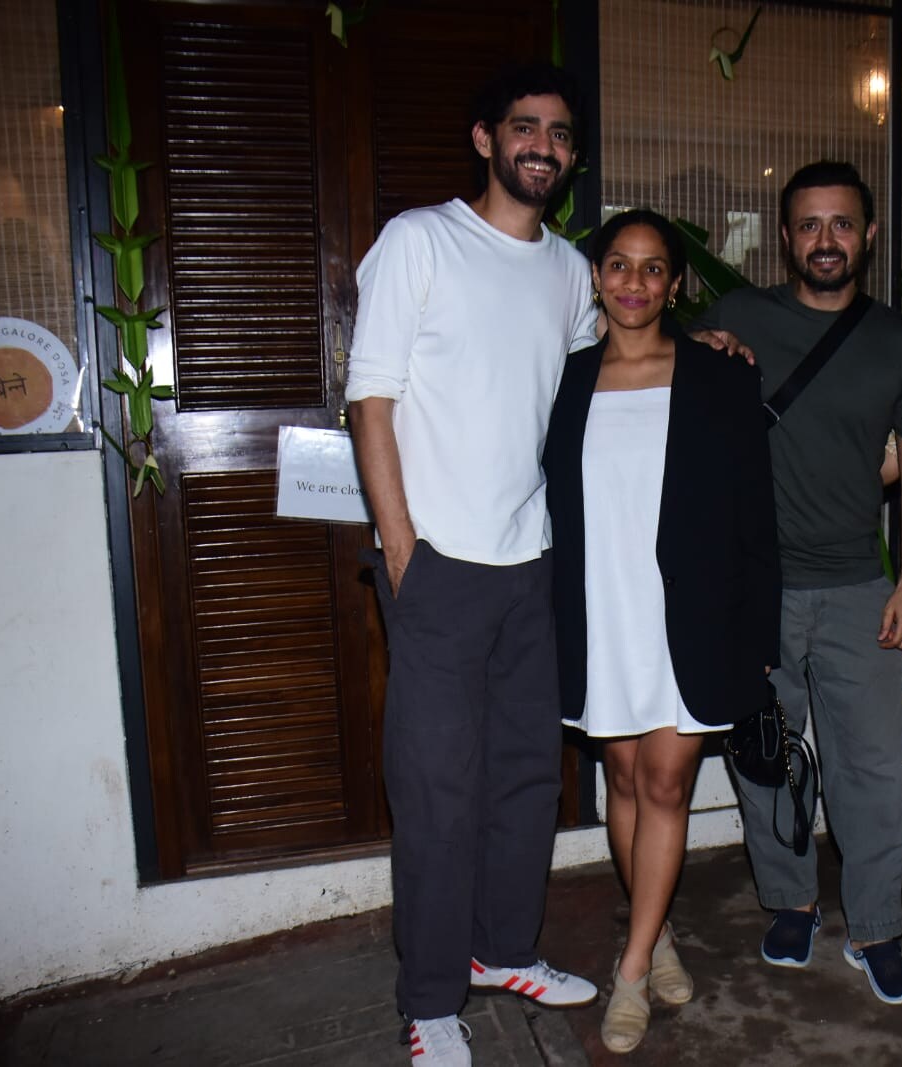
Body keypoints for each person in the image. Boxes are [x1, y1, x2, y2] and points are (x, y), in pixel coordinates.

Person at [345, 63, 602, 1067]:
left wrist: (693, 346)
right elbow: (371, 403)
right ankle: (430, 996)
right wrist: (403, 551)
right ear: (485, 138)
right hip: (439, 566)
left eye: (561, 134)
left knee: (526, 780)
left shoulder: (571, 270)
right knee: (436, 790)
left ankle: (504, 949)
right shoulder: (420, 241)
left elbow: (596, 386)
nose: (543, 145)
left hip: (528, 564)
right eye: (525, 128)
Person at [692, 161, 902, 1005]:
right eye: (809, 224)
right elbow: (658, 373)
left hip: (855, 587)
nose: (825, 240)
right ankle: (791, 897)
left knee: (871, 770)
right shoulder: (740, 315)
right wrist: (700, 347)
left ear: (868, 237)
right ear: (785, 234)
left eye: (842, 224)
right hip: (755, 593)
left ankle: (875, 927)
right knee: (768, 761)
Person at [542, 210, 781, 1053]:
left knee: (670, 783)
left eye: (652, 269)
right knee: (626, 780)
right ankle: (658, 927)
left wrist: (759, 634)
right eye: (619, 265)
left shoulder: (719, 376)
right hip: (599, 606)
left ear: (674, 282)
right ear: (598, 277)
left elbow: (756, 514)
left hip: (694, 612)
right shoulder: (565, 380)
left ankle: (633, 966)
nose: (635, 283)